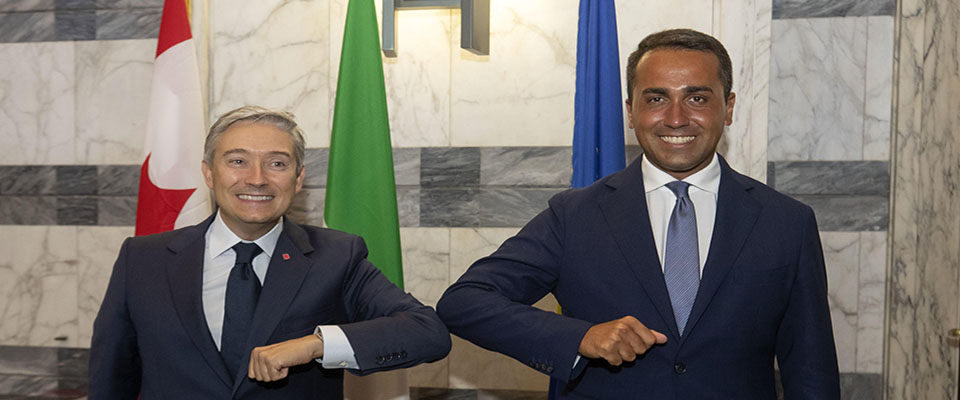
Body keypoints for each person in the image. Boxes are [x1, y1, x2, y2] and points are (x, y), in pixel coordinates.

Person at [436, 29, 840, 399]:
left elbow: (812, 374)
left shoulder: (786, 222)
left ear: (728, 107)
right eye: (656, 98)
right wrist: (581, 337)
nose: (676, 117)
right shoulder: (575, 216)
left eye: (697, 98)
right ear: (631, 112)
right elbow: (464, 302)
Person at [89, 106, 451, 399]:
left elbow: (428, 332)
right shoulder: (143, 259)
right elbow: (112, 378)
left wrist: (316, 345)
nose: (258, 178)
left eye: (277, 163)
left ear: (297, 179)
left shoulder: (337, 257)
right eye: (237, 161)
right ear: (209, 174)